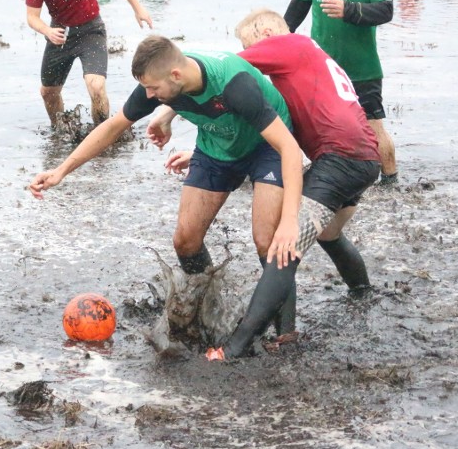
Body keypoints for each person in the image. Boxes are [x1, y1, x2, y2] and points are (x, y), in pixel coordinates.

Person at [159, 10, 381, 360]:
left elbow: (219, 71)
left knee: (283, 243)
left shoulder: (288, 44)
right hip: (362, 156)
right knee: (327, 233)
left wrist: (168, 110)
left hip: (340, 159)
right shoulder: (308, 57)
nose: (253, 57)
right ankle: (363, 291)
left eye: (249, 43)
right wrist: (205, 148)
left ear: (265, 32)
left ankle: (238, 344)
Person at [29, 35, 304, 307]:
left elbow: (289, 148)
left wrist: (290, 221)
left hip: (266, 146)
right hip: (217, 145)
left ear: (175, 74)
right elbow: (113, 127)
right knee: (185, 241)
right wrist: (62, 170)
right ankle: (209, 308)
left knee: (268, 241)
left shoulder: (234, 85)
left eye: (153, 88)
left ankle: (285, 333)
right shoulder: (162, 82)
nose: (149, 96)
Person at [284, 0, 398, 186]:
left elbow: (386, 11)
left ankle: (391, 181)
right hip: (322, 67)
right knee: (310, 124)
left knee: (372, 127)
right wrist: (277, 43)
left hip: (362, 67)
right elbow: (296, 11)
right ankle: (307, 175)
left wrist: (349, 10)